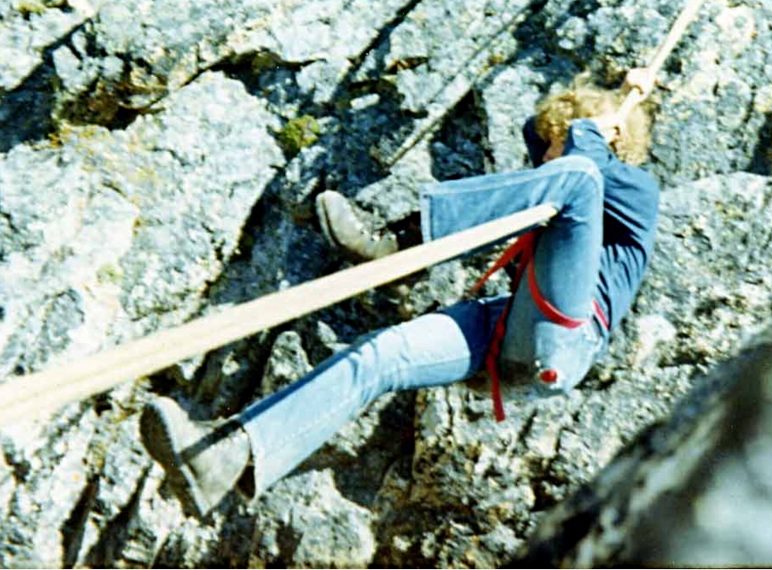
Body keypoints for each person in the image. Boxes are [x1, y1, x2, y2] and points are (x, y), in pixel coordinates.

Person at [139, 67, 660, 517]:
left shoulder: (633, 193)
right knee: (380, 356)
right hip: (508, 331)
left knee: (577, 178)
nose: (543, 158)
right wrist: (609, 96)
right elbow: (536, 135)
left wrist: (596, 123)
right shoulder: (568, 175)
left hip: (565, 339)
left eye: (558, 143)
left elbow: (584, 167)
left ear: (609, 143)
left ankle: (403, 243)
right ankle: (228, 457)